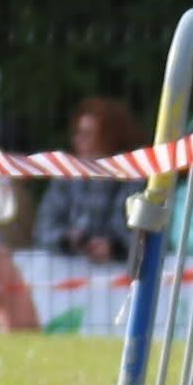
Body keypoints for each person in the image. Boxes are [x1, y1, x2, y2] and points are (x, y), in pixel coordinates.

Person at [31, 99, 142, 263]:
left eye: (88, 135)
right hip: (67, 267)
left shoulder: (132, 179)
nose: (78, 141)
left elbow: (140, 234)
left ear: (110, 139)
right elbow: (43, 227)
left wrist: (114, 247)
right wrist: (66, 239)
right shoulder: (66, 177)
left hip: (117, 269)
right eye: (78, 133)